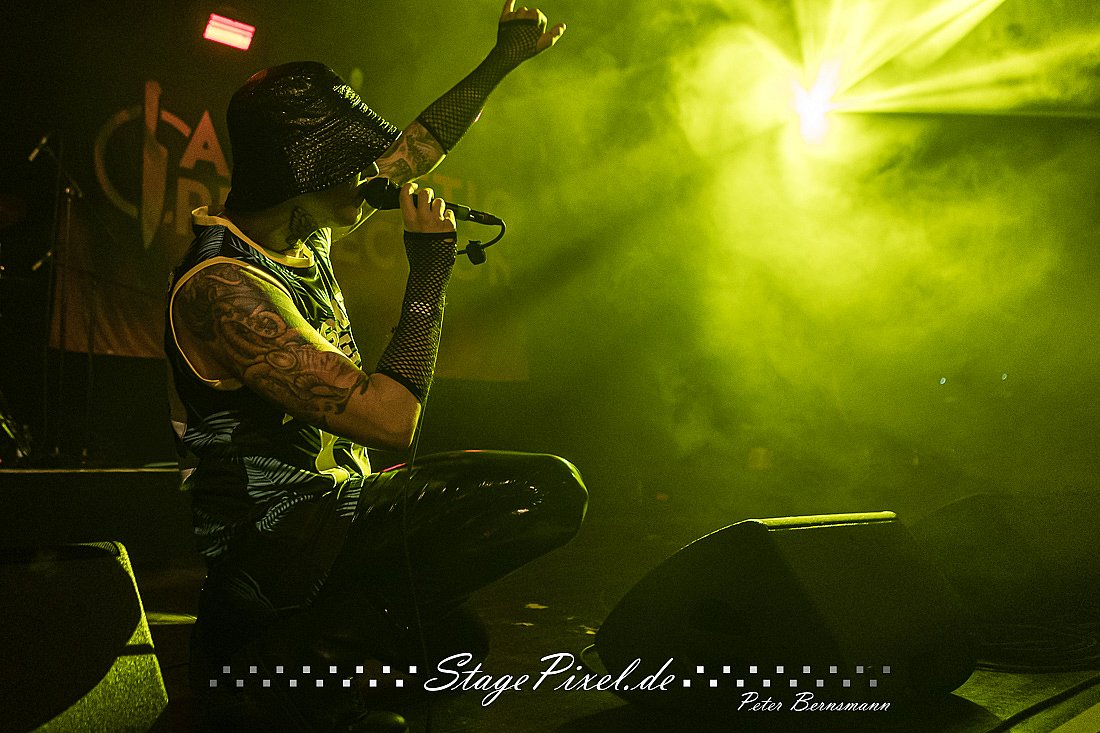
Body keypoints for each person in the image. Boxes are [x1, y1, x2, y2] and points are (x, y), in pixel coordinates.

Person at [164, 4, 588, 731]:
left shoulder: (304, 225)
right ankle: (276, 652)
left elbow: (418, 147)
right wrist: (429, 275)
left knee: (454, 645)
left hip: (332, 514)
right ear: (302, 174)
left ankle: (320, 649)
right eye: (355, 168)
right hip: (275, 538)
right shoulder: (224, 289)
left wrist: (504, 58)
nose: (375, 178)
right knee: (542, 489)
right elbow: (392, 422)